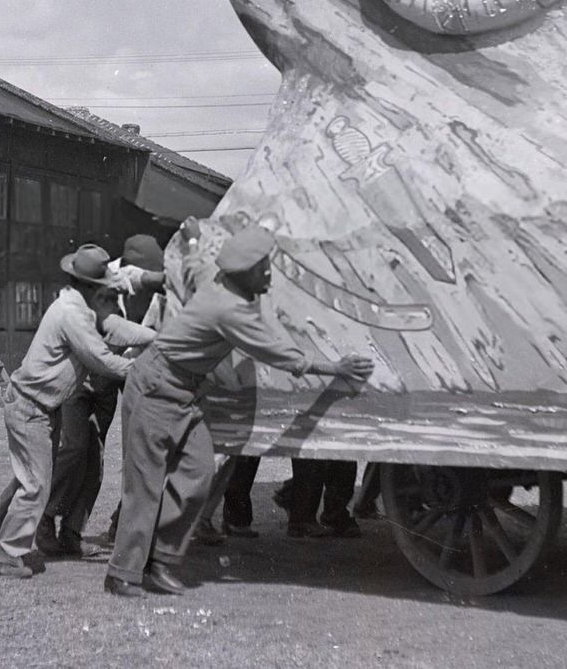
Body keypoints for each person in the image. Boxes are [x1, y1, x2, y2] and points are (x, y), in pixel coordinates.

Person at [103, 225, 374, 597]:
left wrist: (194, 238)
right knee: (145, 483)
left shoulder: (217, 282)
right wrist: (337, 369)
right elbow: (281, 355)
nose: (268, 273)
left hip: (184, 391)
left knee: (197, 474)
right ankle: (123, 573)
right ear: (243, 272)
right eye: (263, 266)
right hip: (155, 387)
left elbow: (194, 267)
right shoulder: (230, 310)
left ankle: (161, 557)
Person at [0, 244, 151, 578]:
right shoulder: (71, 312)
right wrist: (144, 368)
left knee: (32, 477)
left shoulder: (82, 307)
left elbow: (113, 327)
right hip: (30, 406)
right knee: (36, 484)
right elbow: (100, 358)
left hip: (42, 406)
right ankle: (7, 554)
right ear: (90, 285)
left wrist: (157, 339)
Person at [35, 234, 167, 558]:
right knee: (75, 448)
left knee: (95, 461)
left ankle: (71, 531)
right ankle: (45, 518)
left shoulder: (134, 283)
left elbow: (141, 284)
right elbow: (112, 330)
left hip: (109, 382)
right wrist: (155, 344)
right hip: (81, 381)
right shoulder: (91, 293)